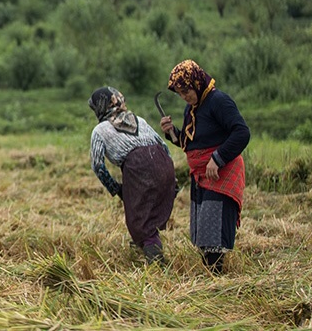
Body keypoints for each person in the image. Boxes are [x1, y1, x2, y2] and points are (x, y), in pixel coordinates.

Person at [160, 59, 250, 274]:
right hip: (200, 175)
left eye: (186, 91)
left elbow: (242, 132)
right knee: (202, 232)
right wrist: (171, 132)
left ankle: (215, 276)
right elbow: (190, 143)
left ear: (197, 82)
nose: (184, 97)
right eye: (180, 94)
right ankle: (212, 273)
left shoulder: (218, 101)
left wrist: (218, 158)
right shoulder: (192, 108)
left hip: (220, 172)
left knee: (213, 231)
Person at [88, 86, 177, 264]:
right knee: (149, 214)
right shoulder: (140, 120)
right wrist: (171, 178)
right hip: (163, 161)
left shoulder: (100, 130)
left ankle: (158, 266)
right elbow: (164, 147)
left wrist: (116, 189)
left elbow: (97, 165)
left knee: (139, 222)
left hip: (138, 167)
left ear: (101, 107)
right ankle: (146, 247)